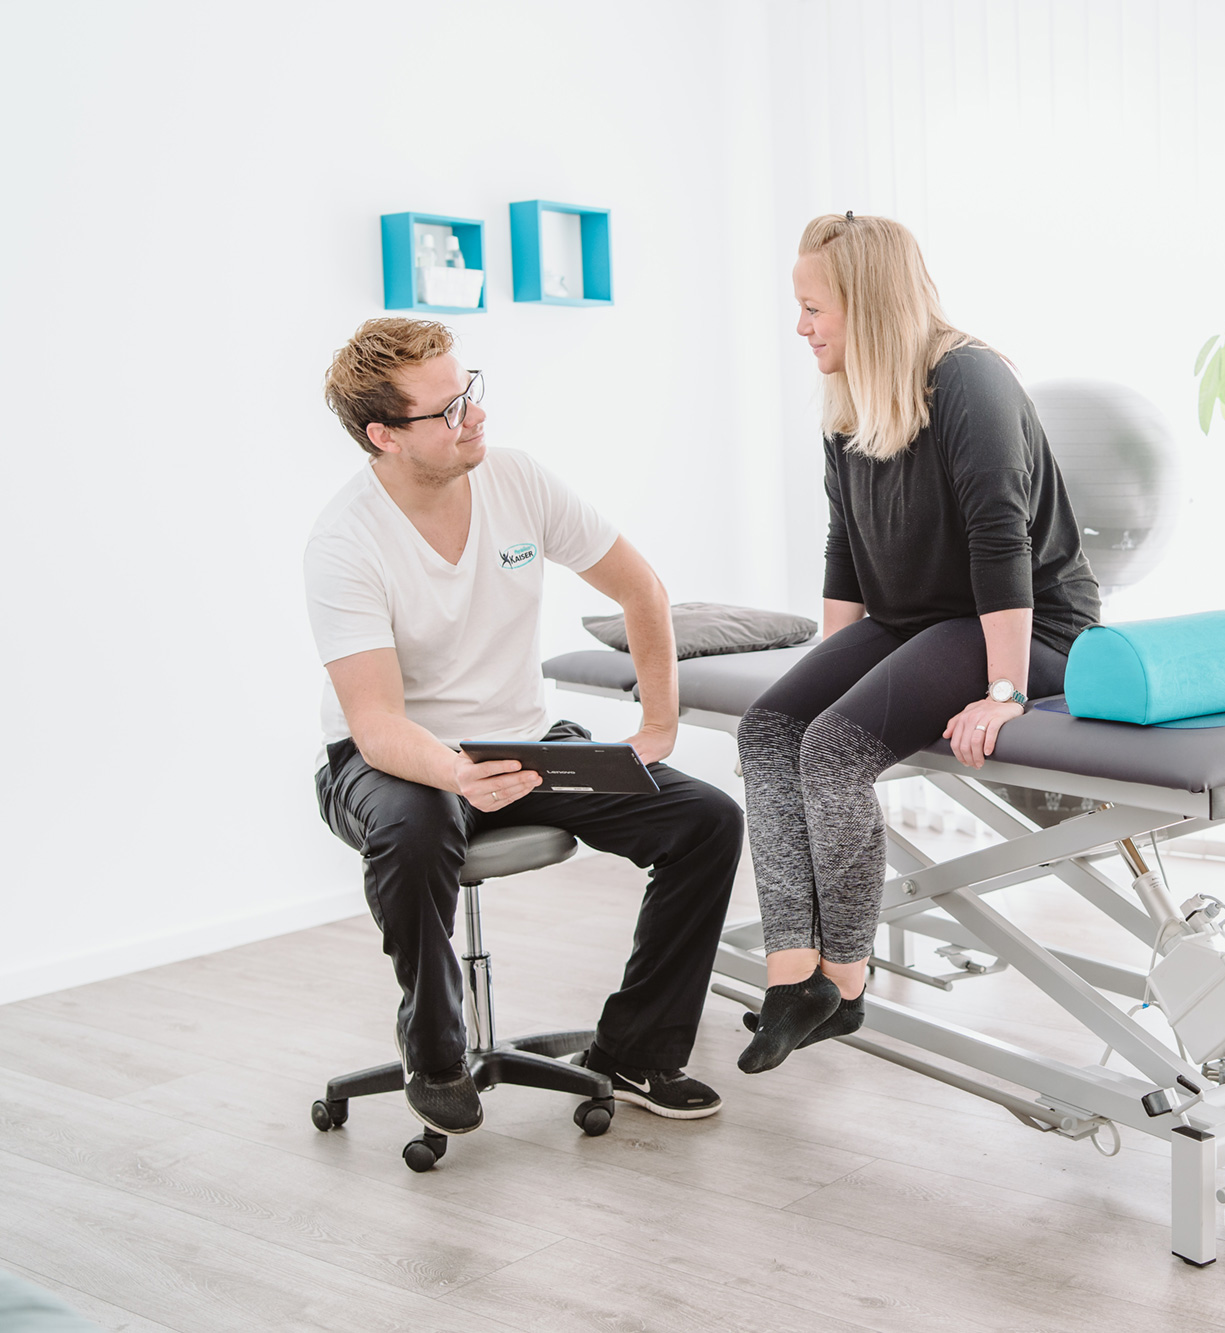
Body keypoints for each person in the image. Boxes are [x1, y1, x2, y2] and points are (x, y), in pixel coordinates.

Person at [307, 318, 742, 1136]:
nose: (473, 415)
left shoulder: (517, 479)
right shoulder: (345, 542)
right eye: (447, 410)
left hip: (523, 741)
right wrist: (455, 773)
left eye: (468, 390)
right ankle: (435, 1051)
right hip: (392, 760)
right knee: (416, 828)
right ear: (383, 436)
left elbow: (641, 589)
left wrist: (657, 724)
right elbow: (375, 724)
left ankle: (635, 1050)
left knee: (705, 820)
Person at [735, 214, 1100, 1074]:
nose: (801, 326)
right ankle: (791, 975)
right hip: (915, 621)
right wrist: (830, 670)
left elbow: (1000, 540)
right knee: (770, 730)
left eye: (814, 307)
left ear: (866, 304)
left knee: (834, 751)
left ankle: (844, 982)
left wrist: (1005, 693)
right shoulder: (848, 397)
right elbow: (845, 546)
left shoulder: (969, 378)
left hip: (1032, 626)